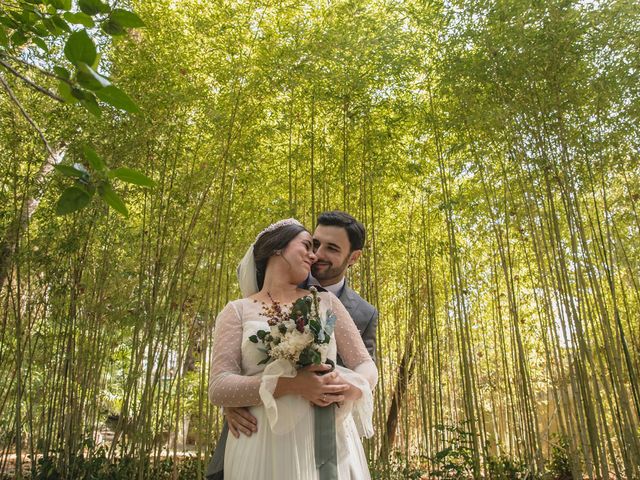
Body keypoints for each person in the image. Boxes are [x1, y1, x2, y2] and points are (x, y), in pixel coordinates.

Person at [205, 212, 379, 479]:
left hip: (325, 439)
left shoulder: (326, 302)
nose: (315, 255)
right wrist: (285, 386)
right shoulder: (237, 311)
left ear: (352, 257)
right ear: (277, 248)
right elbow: (219, 386)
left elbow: (365, 363)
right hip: (259, 440)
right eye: (309, 245)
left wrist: (353, 388)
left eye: (327, 248)